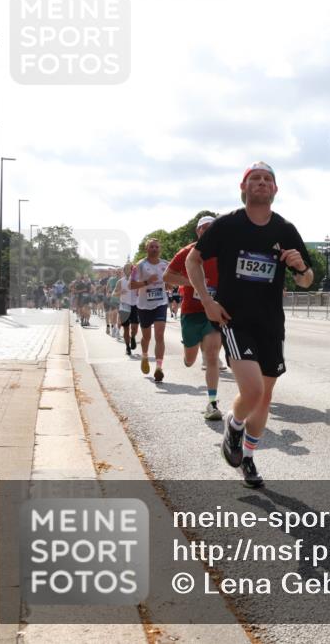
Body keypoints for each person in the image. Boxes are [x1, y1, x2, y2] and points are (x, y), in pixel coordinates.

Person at [188, 161, 314, 488]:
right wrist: (207, 301)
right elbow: (193, 259)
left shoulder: (285, 229)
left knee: (265, 397)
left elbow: (307, 281)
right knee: (253, 391)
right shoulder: (229, 224)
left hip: (271, 323)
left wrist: (301, 268)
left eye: (267, 179)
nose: (261, 182)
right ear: (243, 188)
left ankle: (247, 458)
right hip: (234, 320)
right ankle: (234, 422)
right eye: (254, 178)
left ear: (275, 189)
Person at [165, 215, 224, 422]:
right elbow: (167, 276)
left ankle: (212, 402)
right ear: (198, 231)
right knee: (190, 361)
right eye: (204, 228)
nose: (208, 231)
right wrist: (191, 282)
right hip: (191, 311)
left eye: (212, 227)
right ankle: (190, 349)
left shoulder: (225, 251)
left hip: (213, 310)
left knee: (212, 354)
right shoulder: (187, 252)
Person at [130, 238, 169, 382]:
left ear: (160, 249)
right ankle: (145, 356)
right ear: (147, 249)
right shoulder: (139, 266)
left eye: (157, 247)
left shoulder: (166, 264)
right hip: (144, 305)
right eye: (152, 247)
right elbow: (131, 285)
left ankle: (159, 367)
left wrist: (170, 283)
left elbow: (171, 280)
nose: (154, 249)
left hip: (161, 302)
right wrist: (147, 282)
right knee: (147, 337)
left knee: (159, 335)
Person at [117, 263, 139, 357]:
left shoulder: (137, 280)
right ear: (124, 271)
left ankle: (133, 337)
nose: (129, 270)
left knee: (135, 327)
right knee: (126, 328)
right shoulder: (120, 281)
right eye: (126, 269)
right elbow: (114, 293)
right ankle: (127, 347)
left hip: (135, 306)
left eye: (131, 269)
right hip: (124, 306)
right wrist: (119, 292)